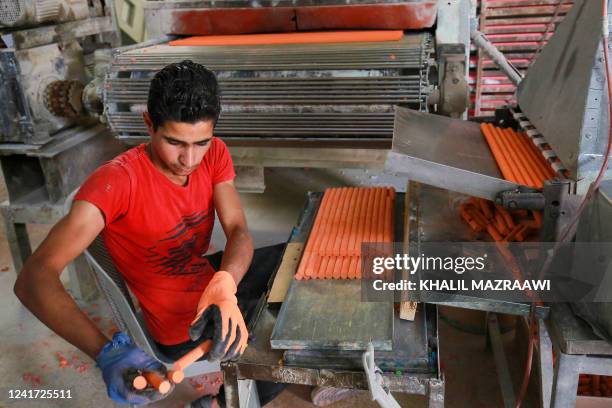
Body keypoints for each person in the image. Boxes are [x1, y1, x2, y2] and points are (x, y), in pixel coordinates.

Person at [14, 60, 285, 407]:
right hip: (182, 325)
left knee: (303, 263)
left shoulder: (214, 153)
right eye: (175, 142)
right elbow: (34, 278)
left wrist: (226, 283)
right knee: (291, 330)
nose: (189, 159)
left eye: (200, 142)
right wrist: (106, 352)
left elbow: (237, 229)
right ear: (148, 123)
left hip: (210, 285)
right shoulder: (116, 183)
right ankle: (218, 404)